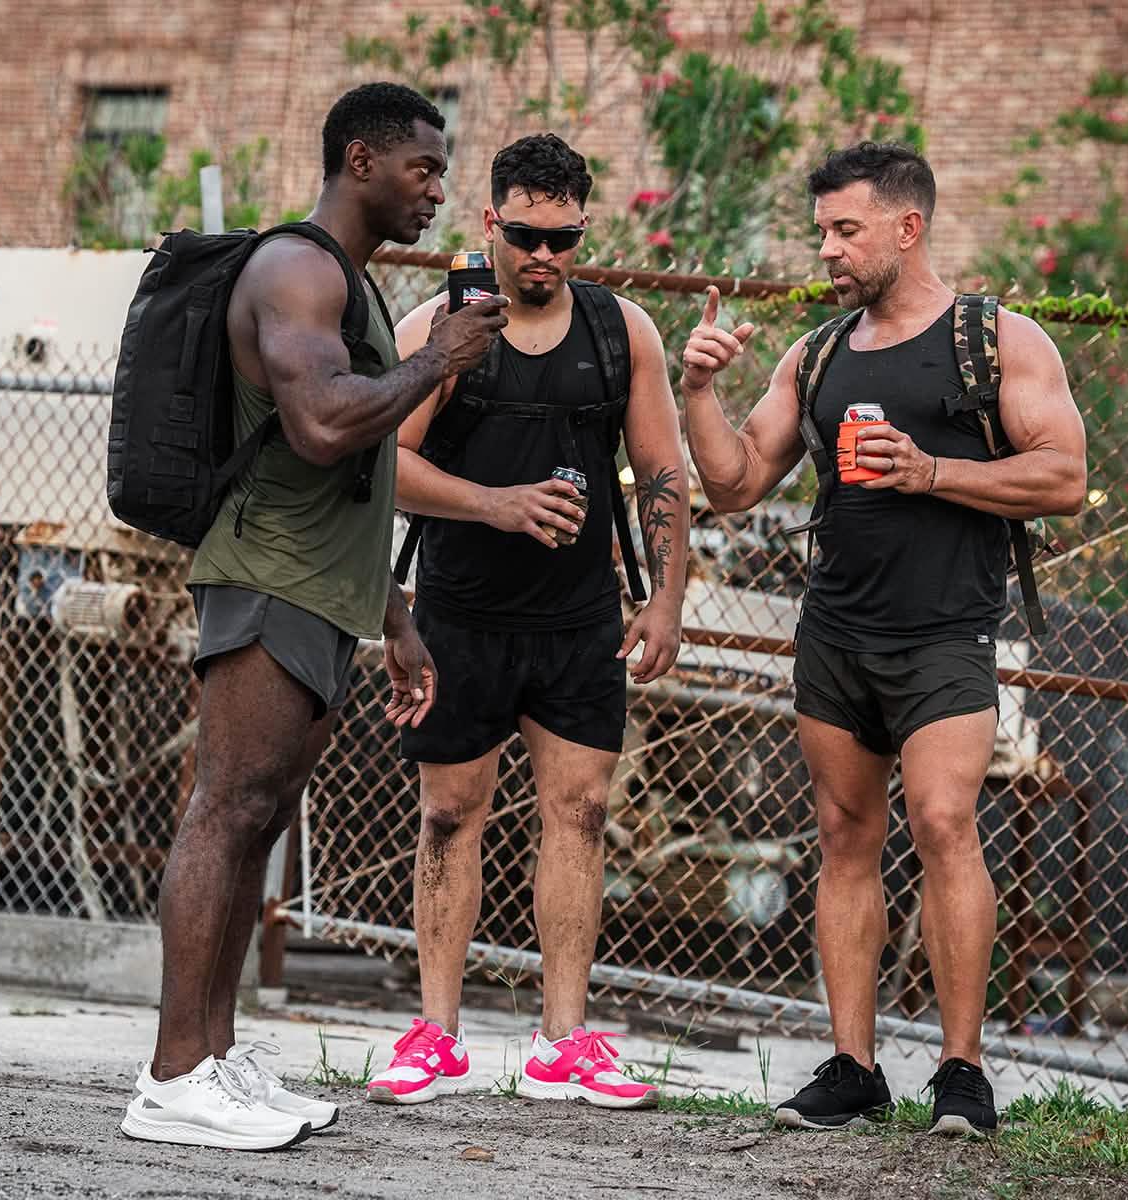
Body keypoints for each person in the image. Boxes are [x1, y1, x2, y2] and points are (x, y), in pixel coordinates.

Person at [121, 82, 510, 1151]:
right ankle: (170, 1074)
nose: (437, 189)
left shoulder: (352, 285)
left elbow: (350, 470)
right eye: (422, 168)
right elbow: (327, 422)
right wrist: (442, 359)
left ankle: (217, 1057)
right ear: (358, 159)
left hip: (323, 585)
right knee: (226, 808)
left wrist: (392, 609)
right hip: (267, 576)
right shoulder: (297, 267)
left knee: (258, 819)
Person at [681, 142, 1086, 1136]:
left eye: (846, 230)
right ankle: (854, 1068)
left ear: (908, 228)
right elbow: (733, 485)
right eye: (822, 230)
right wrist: (696, 392)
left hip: (946, 631)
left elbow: (1064, 478)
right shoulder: (815, 354)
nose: (827, 249)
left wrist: (930, 472)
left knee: (946, 824)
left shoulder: (999, 341)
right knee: (844, 840)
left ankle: (962, 1073)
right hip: (837, 633)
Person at [365, 133, 688, 1110]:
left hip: (579, 619)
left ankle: (564, 1042)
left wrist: (667, 596)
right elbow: (386, 465)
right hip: (460, 615)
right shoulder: (446, 323)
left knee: (581, 817)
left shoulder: (619, 329)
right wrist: (499, 503)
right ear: (492, 223)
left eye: (566, 238)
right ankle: (435, 1034)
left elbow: (664, 470)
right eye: (528, 236)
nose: (545, 256)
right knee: (447, 815)